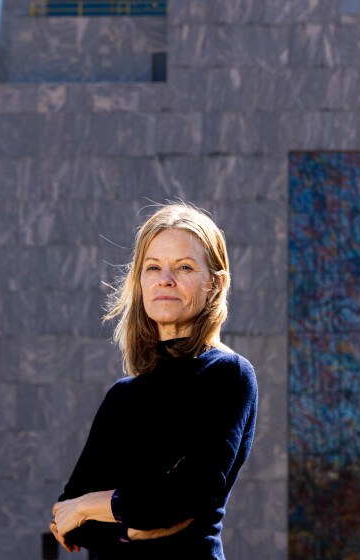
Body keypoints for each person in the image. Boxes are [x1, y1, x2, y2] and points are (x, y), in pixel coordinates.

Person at [49, 203, 259, 559]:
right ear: (140, 281)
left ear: (215, 284)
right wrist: (134, 515)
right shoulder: (122, 395)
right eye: (153, 267)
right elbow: (68, 517)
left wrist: (94, 505)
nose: (166, 279)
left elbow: (188, 496)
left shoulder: (227, 375)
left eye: (185, 267)